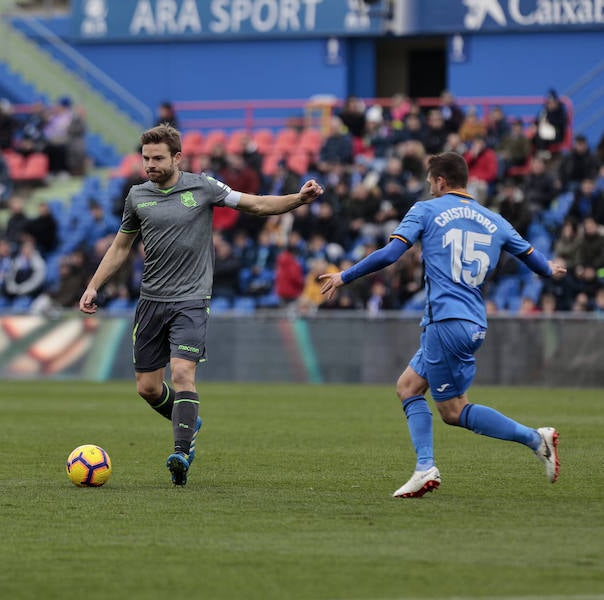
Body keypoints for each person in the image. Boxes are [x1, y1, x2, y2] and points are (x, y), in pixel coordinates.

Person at [78, 124, 323, 486]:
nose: (150, 165)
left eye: (158, 158)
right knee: (147, 387)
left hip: (190, 300)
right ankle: (189, 419)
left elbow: (255, 203)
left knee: (182, 373)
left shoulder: (203, 187)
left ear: (178, 157)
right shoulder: (137, 196)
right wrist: (93, 285)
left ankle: (180, 451)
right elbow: (119, 248)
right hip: (151, 302)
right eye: (146, 159)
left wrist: (297, 199)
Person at [318, 151, 566, 498]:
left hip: (445, 320)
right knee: (407, 387)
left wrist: (345, 275)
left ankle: (440, 463)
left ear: (440, 181)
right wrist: (551, 268)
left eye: (429, 180)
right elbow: (536, 262)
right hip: (473, 322)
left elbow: (391, 254)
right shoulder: (495, 220)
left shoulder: (425, 210)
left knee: (453, 410)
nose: (428, 186)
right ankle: (519, 443)